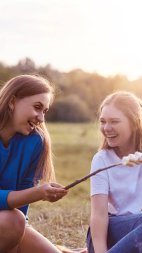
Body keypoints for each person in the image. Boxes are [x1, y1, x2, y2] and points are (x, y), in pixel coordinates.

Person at [87, 91, 142, 253]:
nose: (106, 128)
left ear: (135, 123)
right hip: (111, 232)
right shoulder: (101, 159)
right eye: (103, 121)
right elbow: (99, 215)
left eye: (114, 121)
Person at [0, 75, 68, 253]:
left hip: (11, 223)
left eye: (44, 111)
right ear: (12, 101)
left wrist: (14, 242)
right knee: (12, 221)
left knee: (15, 221)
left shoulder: (36, 141)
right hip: (8, 222)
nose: (41, 118)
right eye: (37, 107)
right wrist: (37, 193)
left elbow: (20, 210)